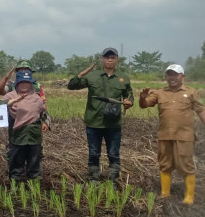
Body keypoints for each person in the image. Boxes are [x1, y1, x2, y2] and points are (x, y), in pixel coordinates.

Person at [139, 64, 205, 204]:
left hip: (184, 136)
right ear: (166, 77)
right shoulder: (159, 93)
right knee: (165, 164)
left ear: (182, 76)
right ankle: (165, 193)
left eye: (175, 74)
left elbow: (201, 111)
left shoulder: (191, 92)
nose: (172, 77)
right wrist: (142, 98)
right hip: (165, 135)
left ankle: (189, 197)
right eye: (169, 74)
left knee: (186, 165)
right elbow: (144, 105)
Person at [67, 48, 134, 182]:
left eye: (113, 57)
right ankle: (94, 179)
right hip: (94, 122)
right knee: (94, 153)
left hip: (113, 123)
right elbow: (72, 86)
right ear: (102, 59)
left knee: (114, 154)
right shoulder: (92, 76)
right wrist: (80, 74)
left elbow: (129, 95)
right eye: (107, 57)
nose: (110, 59)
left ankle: (113, 181)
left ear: (117, 59)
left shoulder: (123, 78)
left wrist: (129, 102)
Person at [0, 71, 49, 183]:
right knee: (16, 163)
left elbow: (43, 112)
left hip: (34, 136)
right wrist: (11, 102)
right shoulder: (11, 95)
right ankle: (15, 186)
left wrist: (46, 122)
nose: (24, 84)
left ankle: (34, 186)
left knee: (34, 163)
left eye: (27, 82)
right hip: (18, 137)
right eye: (22, 82)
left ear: (31, 84)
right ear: (17, 83)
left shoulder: (36, 97)